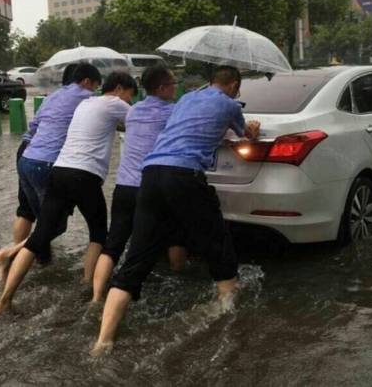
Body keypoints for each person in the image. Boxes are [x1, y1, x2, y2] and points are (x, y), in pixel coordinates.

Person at [92, 66, 260, 354]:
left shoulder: (185, 99)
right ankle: (229, 315)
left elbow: (189, 126)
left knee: (137, 258)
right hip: (184, 177)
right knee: (218, 246)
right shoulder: (230, 104)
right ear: (233, 85)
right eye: (238, 88)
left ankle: (103, 340)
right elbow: (246, 134)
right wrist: (252, 129)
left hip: (150, 174)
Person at [0, 72, 137, 316]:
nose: (130, 101)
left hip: (59, 171)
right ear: (120, 89)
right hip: (86, 176)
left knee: (38, 238)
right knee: (99, 234)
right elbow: (142, 121)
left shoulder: (86, 104)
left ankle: (3, 301)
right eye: (130, 95)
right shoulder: (116, 104)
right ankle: (89, 288)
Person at [0, 63, 101, 277]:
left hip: (27, 155)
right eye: (95, 86)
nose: (95, 91)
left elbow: (34, 128)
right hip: (48, 163)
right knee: (55, 226)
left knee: (31, 213)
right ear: (87, 81)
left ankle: (38, 264)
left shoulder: (53, 96)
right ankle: (11, 254)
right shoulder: (87, 99)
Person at [92, 65, 186, 303]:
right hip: (152, 186)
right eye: (174, 84)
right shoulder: (174, 112)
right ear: (163, 88)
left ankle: (95, 297)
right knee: (175, 235)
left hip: (124, 185)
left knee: (113, 245)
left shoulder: (133, 111)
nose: (176, 88)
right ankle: (180, 279)